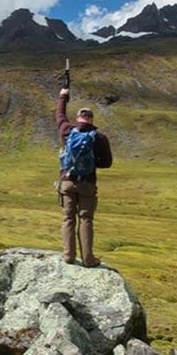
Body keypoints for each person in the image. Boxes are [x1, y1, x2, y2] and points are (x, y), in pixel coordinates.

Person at [56, 88, 112, 267]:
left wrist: (63, 96)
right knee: (86, 219)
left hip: (67, 182)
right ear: (91, 119)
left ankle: (68, 256)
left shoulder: (67, 130)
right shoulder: (99, 137)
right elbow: (107, 163)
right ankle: (88, 259)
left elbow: (59, 114)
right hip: (87, 184)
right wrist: (91, 163)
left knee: (68, 218)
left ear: (78, 118)